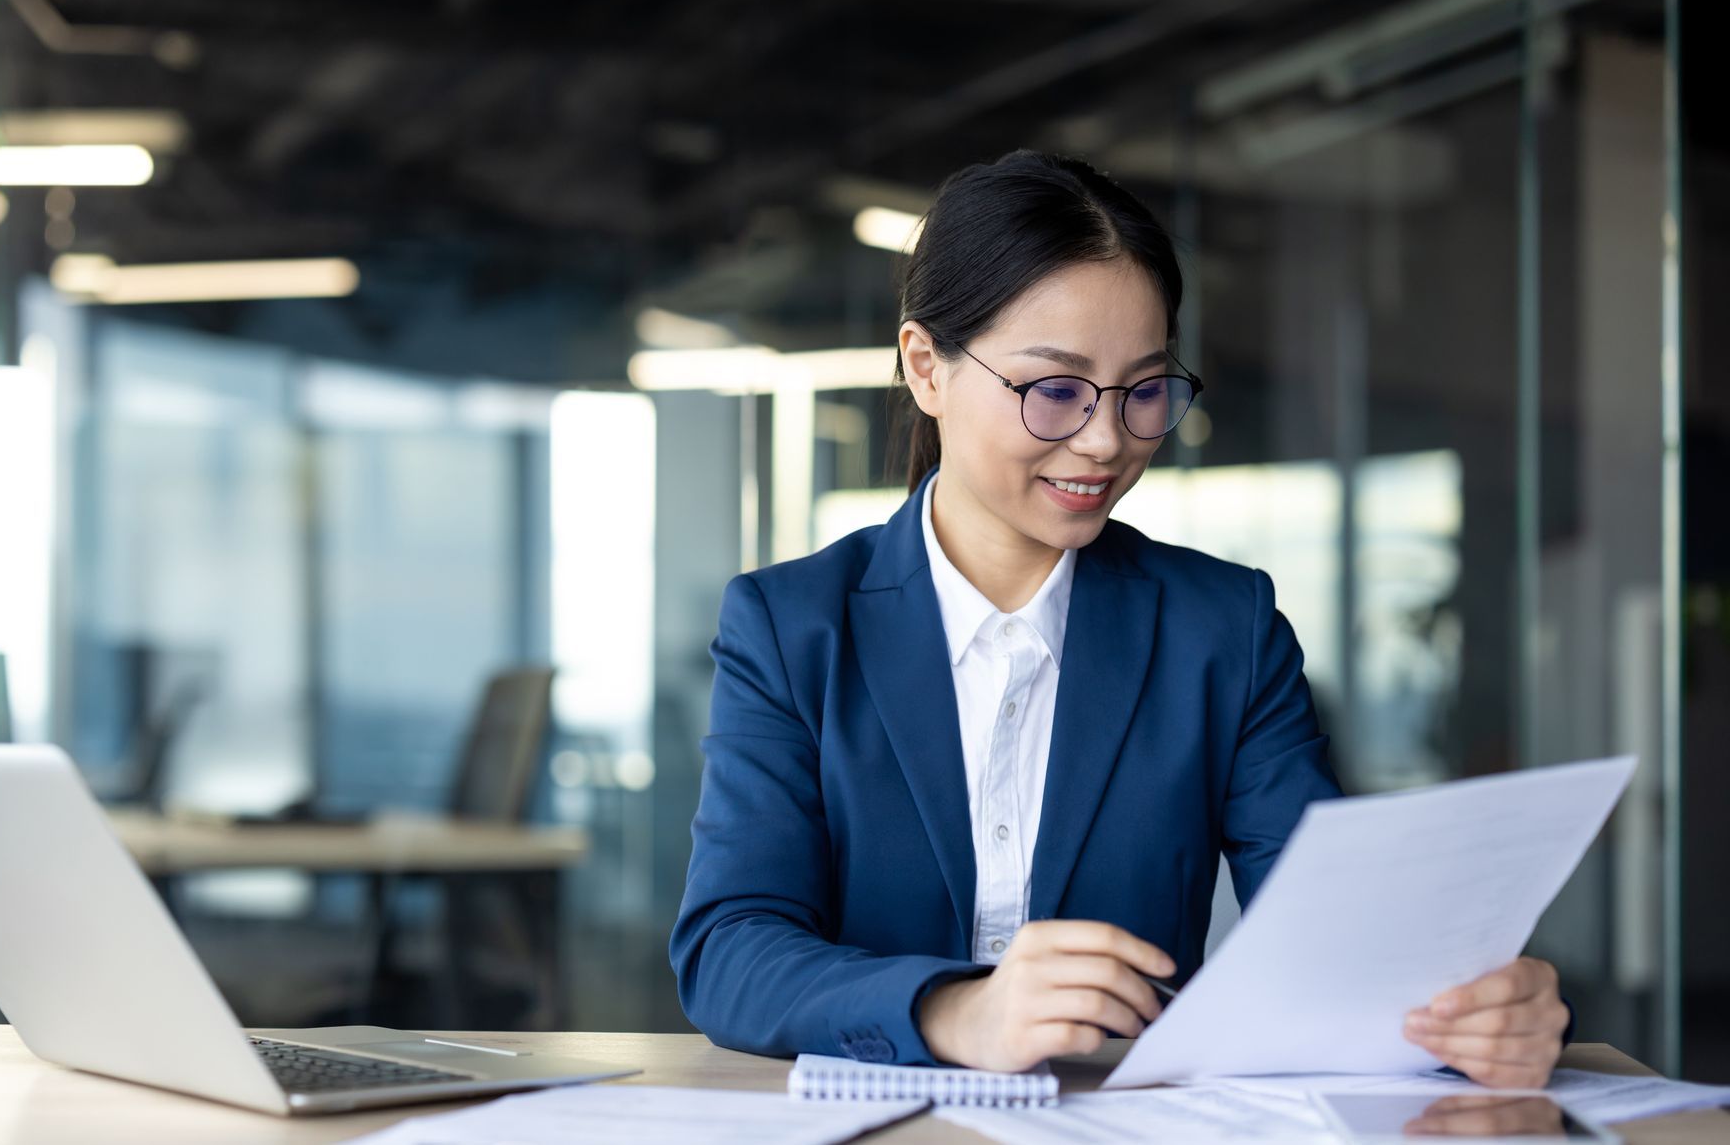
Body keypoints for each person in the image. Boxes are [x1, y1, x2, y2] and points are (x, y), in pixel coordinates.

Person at [668, 149, 1570, 1088]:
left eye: (1144, 391)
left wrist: (1490, 1010)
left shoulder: (1223, 628)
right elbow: (729, 950)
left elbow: (1332, 941)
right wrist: (957, 1010)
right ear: (926, 367)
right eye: (1055, 390)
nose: (1106, 440)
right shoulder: (792, 626)